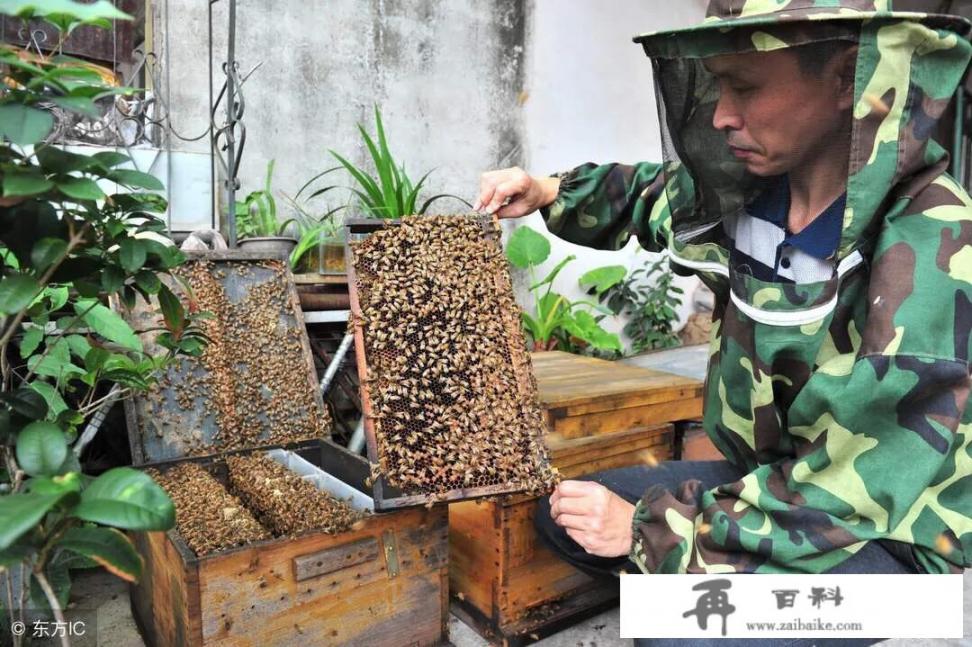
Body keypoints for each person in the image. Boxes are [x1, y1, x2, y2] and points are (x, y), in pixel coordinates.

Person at [475, 1, 971, 643]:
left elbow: (857, 489)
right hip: (767, 481)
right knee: (563, 515)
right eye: (715, 85)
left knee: (676, 628)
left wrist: (650, 530)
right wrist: (547, 190)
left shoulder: (935, 240)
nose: (719, 115)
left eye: (744, 86)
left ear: (848, 75)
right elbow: (650, 193)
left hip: (887, 534)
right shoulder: (746, 191)